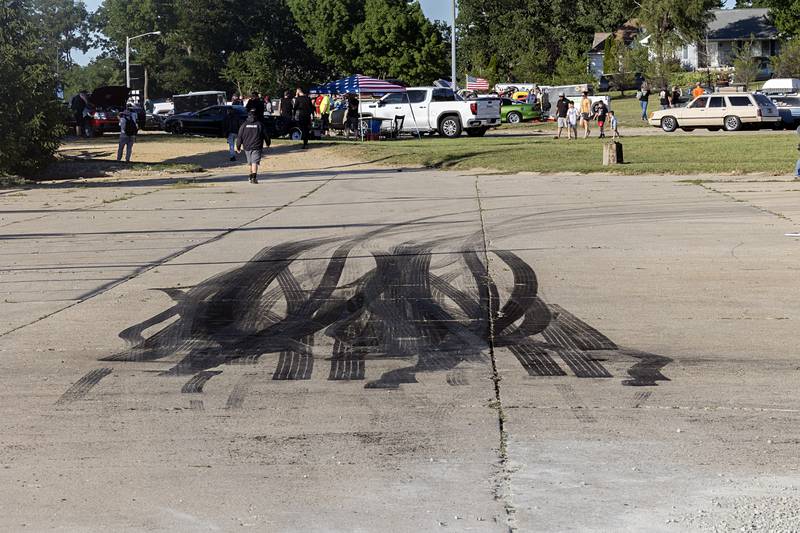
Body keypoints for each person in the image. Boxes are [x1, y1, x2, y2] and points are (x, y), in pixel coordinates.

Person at [236, 109, 269, 184]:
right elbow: (265, 135)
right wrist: (268, 143)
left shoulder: (244, 125)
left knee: (251, 162)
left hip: (247, 147)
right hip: (257, 146)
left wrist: (238, 146)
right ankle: (254, 178)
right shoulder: (259, 124)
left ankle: (251, 176)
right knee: (254, 162)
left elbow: (239, 136)